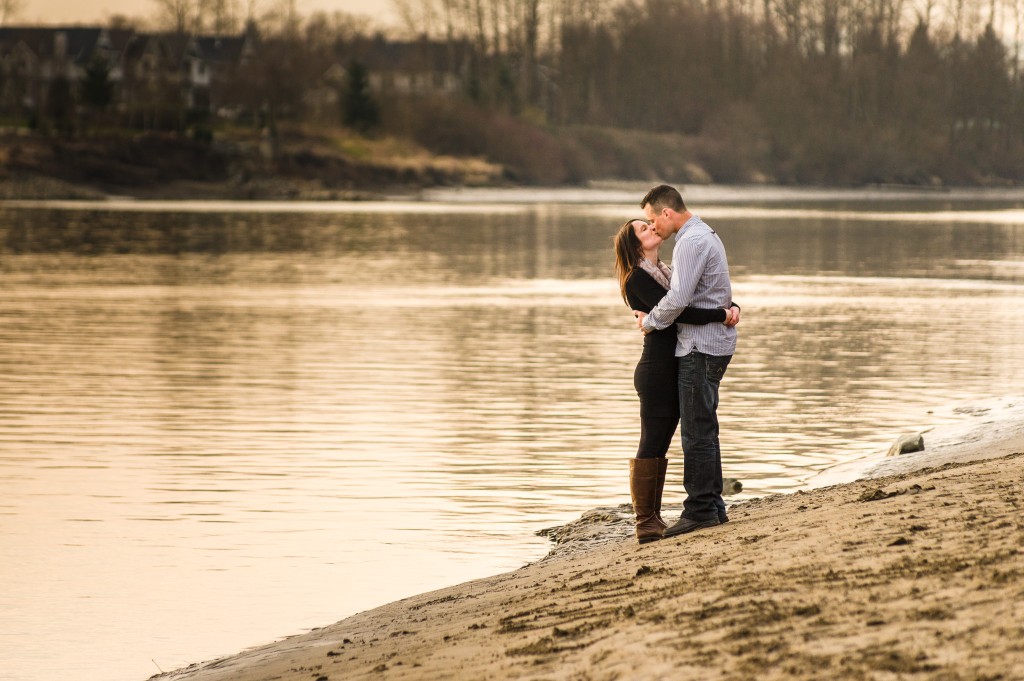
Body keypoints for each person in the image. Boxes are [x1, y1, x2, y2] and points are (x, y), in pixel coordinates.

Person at [614, 217, 739, 544]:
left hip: (672, 367)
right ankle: (646, 521)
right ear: (634, 245)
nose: (651, 228)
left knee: (666, 441)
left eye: (650, 224)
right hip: (655, 371)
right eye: (643, 229)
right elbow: (679, 311)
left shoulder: (666, 272)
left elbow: (693, 298)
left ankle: (657, 517)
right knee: (652, 442)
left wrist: (729, 305)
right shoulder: (636, 279)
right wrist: (719, 315)